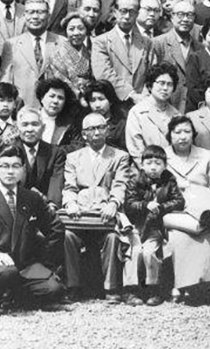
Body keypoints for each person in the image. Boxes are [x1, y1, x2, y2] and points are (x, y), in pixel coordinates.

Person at [0, 144, 67, 313]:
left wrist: (46, 263)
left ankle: (13, 295)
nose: (10, 172)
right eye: (5, 166)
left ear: (23, 169)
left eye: (16, 166)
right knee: (6, 273)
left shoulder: (32, 198)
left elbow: (55, 229)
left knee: (55, 289)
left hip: (24, 265)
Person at [61, 112, 133, 302]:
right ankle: (73, 286)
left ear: (107, 130)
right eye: (91, 129)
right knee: (68, 236)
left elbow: (120, 184)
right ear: (84, 134)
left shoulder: (120, 156)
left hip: (105, 212)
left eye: (100, 127)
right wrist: (70, 203)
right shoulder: (73, 158)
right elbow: (69, 187)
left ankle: (111, 288)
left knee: (112, 237)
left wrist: (114, 203)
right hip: (81, 214)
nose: (96, 133)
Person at [162, 116, 210, 301]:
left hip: (202, 202)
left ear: (193, 134)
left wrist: (209, 198)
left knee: (208, 236)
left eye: (187, 132)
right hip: (176, 207)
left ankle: (200, 286)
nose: (182, 136)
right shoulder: (163, 156)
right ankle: (181, 284)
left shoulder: (206, 155)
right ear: (170, 135)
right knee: (180, 237)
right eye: (177, 132)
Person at [122, 144, 185, 305]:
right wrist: (145, 204)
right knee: (134, 252)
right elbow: (129, 205)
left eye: (158, 163)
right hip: (136, 226)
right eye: (149, 163)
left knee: (150, 253)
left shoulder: (169, 181)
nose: (153, 167)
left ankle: (154, 289)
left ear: (165, 165)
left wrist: (162, 207)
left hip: (155, 228)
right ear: (142, 165)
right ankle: (131, 290)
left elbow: (179, 201)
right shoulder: (134, 181)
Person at [92, 0, 162, 103]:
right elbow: (103, 73)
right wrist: (131, 94)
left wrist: (145, 95)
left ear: (137, 14)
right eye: (123, 11)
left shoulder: (147, 42)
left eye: (132, 12)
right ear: (115, 12)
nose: (127, 16)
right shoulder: (101, 42)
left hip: (142, 103)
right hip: (113, 103)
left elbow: (153, 72)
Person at [0, 0, 60, 111]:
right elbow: (5, 83)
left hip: (55, 110)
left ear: (49, 15)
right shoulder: (11, 45)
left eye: (40, 12)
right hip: (22, 110)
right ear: (24, 15)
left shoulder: (62, 42)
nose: (35, 17)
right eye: (31, 12)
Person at [124, 64, 182, 165]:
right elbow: (136, 149)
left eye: (169, 84)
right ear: (150, 85)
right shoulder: (137, 112)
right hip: (146, 170)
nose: (165, 88)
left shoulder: (177, 115)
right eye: (161, 83)